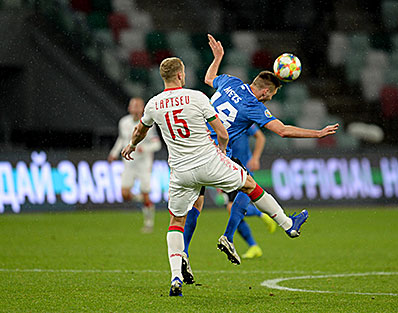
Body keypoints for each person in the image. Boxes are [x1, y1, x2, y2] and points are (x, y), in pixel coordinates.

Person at [121, 57, 310, 297]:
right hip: (209, 162)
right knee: (250, 185)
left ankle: (176, 276)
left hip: (179, 172)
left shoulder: (153, 104)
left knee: (176, 222)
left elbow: (140, 130)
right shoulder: (197, 97)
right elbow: (222, 131)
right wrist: (221, 153)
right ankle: (287, 224)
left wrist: (130, 145)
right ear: (181, 75)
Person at [182, 34, 339, 270]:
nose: (270, 100)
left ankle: (183, 254)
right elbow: (283, 130)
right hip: (218, 154)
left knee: (196, 203)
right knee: (248, 187)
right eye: (272, 96)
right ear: (265, 92)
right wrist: (317, 134)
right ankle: (237, 234)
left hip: (194, 147)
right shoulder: (254, 105)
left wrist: (218, 57)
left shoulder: (231, 82)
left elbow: (208, 78)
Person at [222, 124, 276, 259]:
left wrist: (255, 158)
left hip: (243, 169)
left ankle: (260, 217)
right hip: (228, 169)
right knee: (231, 209)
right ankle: (254, 245)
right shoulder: (218, 121)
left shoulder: (242, 118)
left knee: (231, 208)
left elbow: (260, 137)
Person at [108, 97, 161, 233]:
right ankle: (143, 200)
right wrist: (114, 153)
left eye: (138, 106)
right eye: (133, 106)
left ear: (143, 109)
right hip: (129, 164)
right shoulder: (123, 122)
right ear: (129, 108)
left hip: (144, 165)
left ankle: (148, 223)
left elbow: (157, 144)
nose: (136, 109)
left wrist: (145, 149)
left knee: (145, 192)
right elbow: (122, 139)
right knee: (124, 194)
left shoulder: (148, 123)